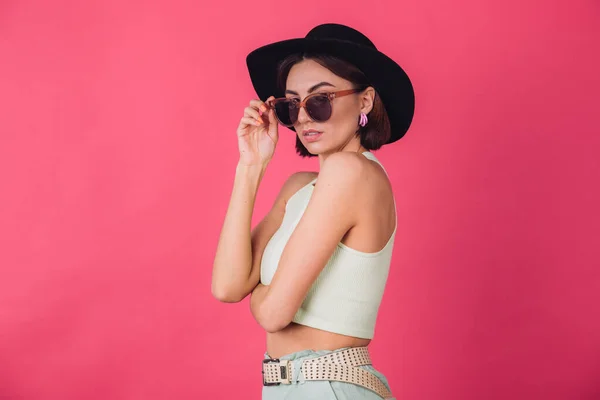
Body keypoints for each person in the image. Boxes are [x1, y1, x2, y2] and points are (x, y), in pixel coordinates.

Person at [212, 23, 415, 399]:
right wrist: (251, 166)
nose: (304, 117)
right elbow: (227, 286)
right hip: (289, 387)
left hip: (328, 386)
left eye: (320, 101)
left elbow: (274, 314)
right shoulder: (299, 188)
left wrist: (260, 290)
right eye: (291, 105)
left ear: (365, 101)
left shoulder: (352, 172)